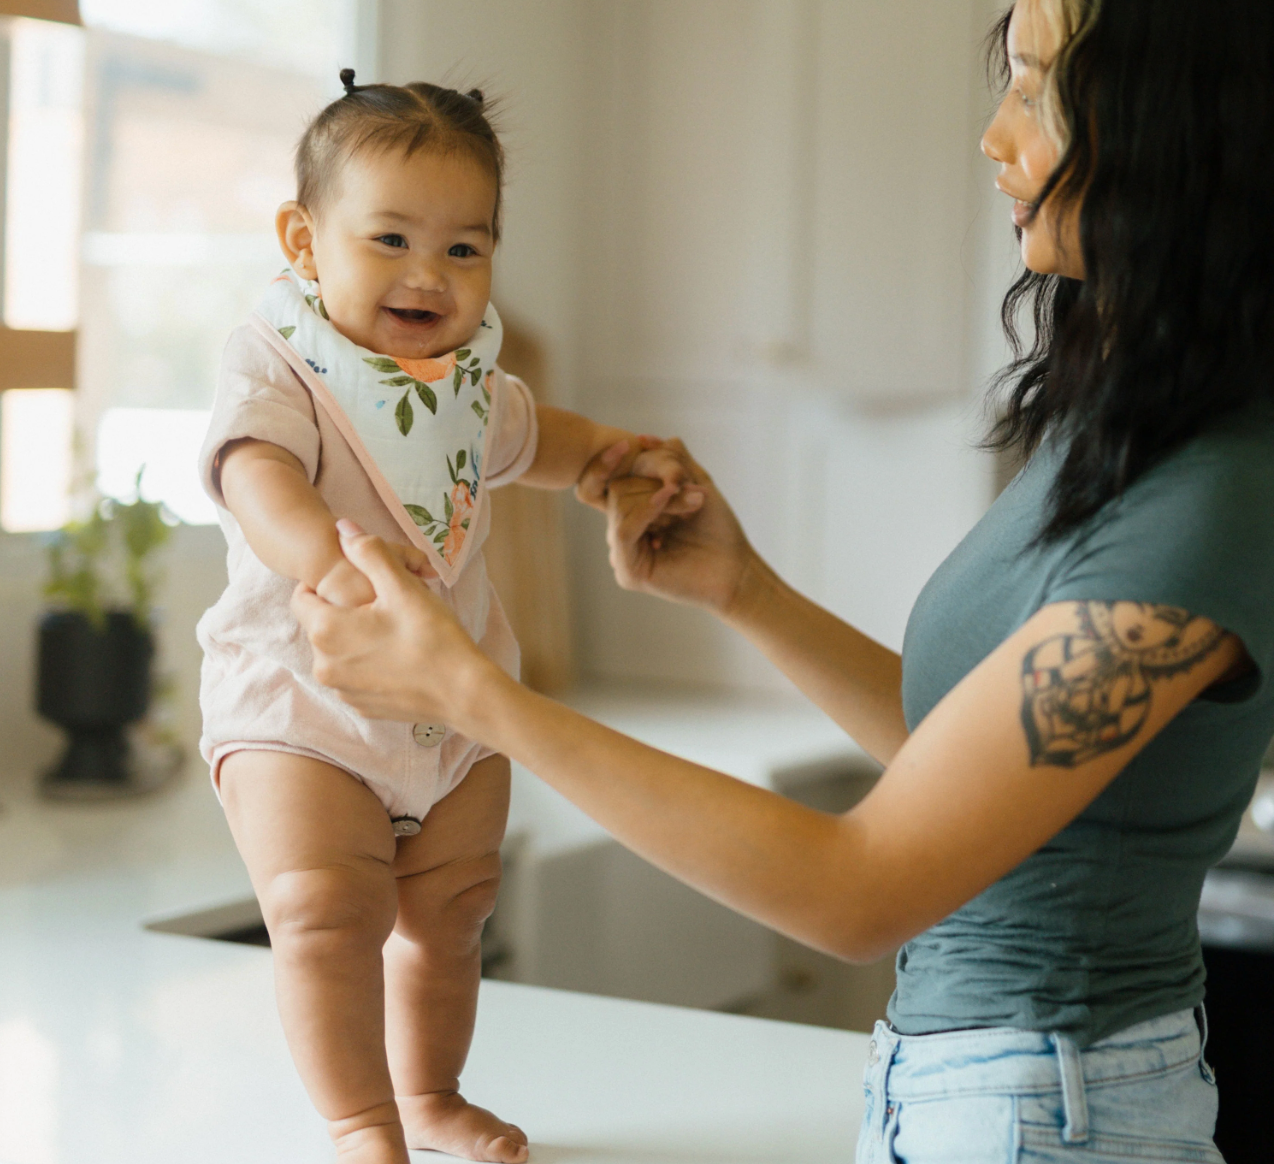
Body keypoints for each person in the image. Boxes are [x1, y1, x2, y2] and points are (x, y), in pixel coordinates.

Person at [291, 1, 1274, 1160]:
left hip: (1053, 1111)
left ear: (1176, 126)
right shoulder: (1120, 426)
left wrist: (473, 698)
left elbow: (855, 892)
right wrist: (740, 590)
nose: (992, 136)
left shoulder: (1208, 504)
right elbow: (950, 754)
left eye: (1036, 86)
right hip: (983, 1090)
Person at [195, 73, 691, 1164]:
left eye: (466, 249)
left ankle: (429, 1093)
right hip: (303, 705)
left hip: (454, 714)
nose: (430, 273)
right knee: (326, 917)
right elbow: (255, 474)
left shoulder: (463, 384)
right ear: (302, 237)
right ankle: (362, 1121)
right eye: (390, 239)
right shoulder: (279, 364)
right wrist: (330, 564)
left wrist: (613, 463)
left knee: (456, 915)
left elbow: (537, 438)